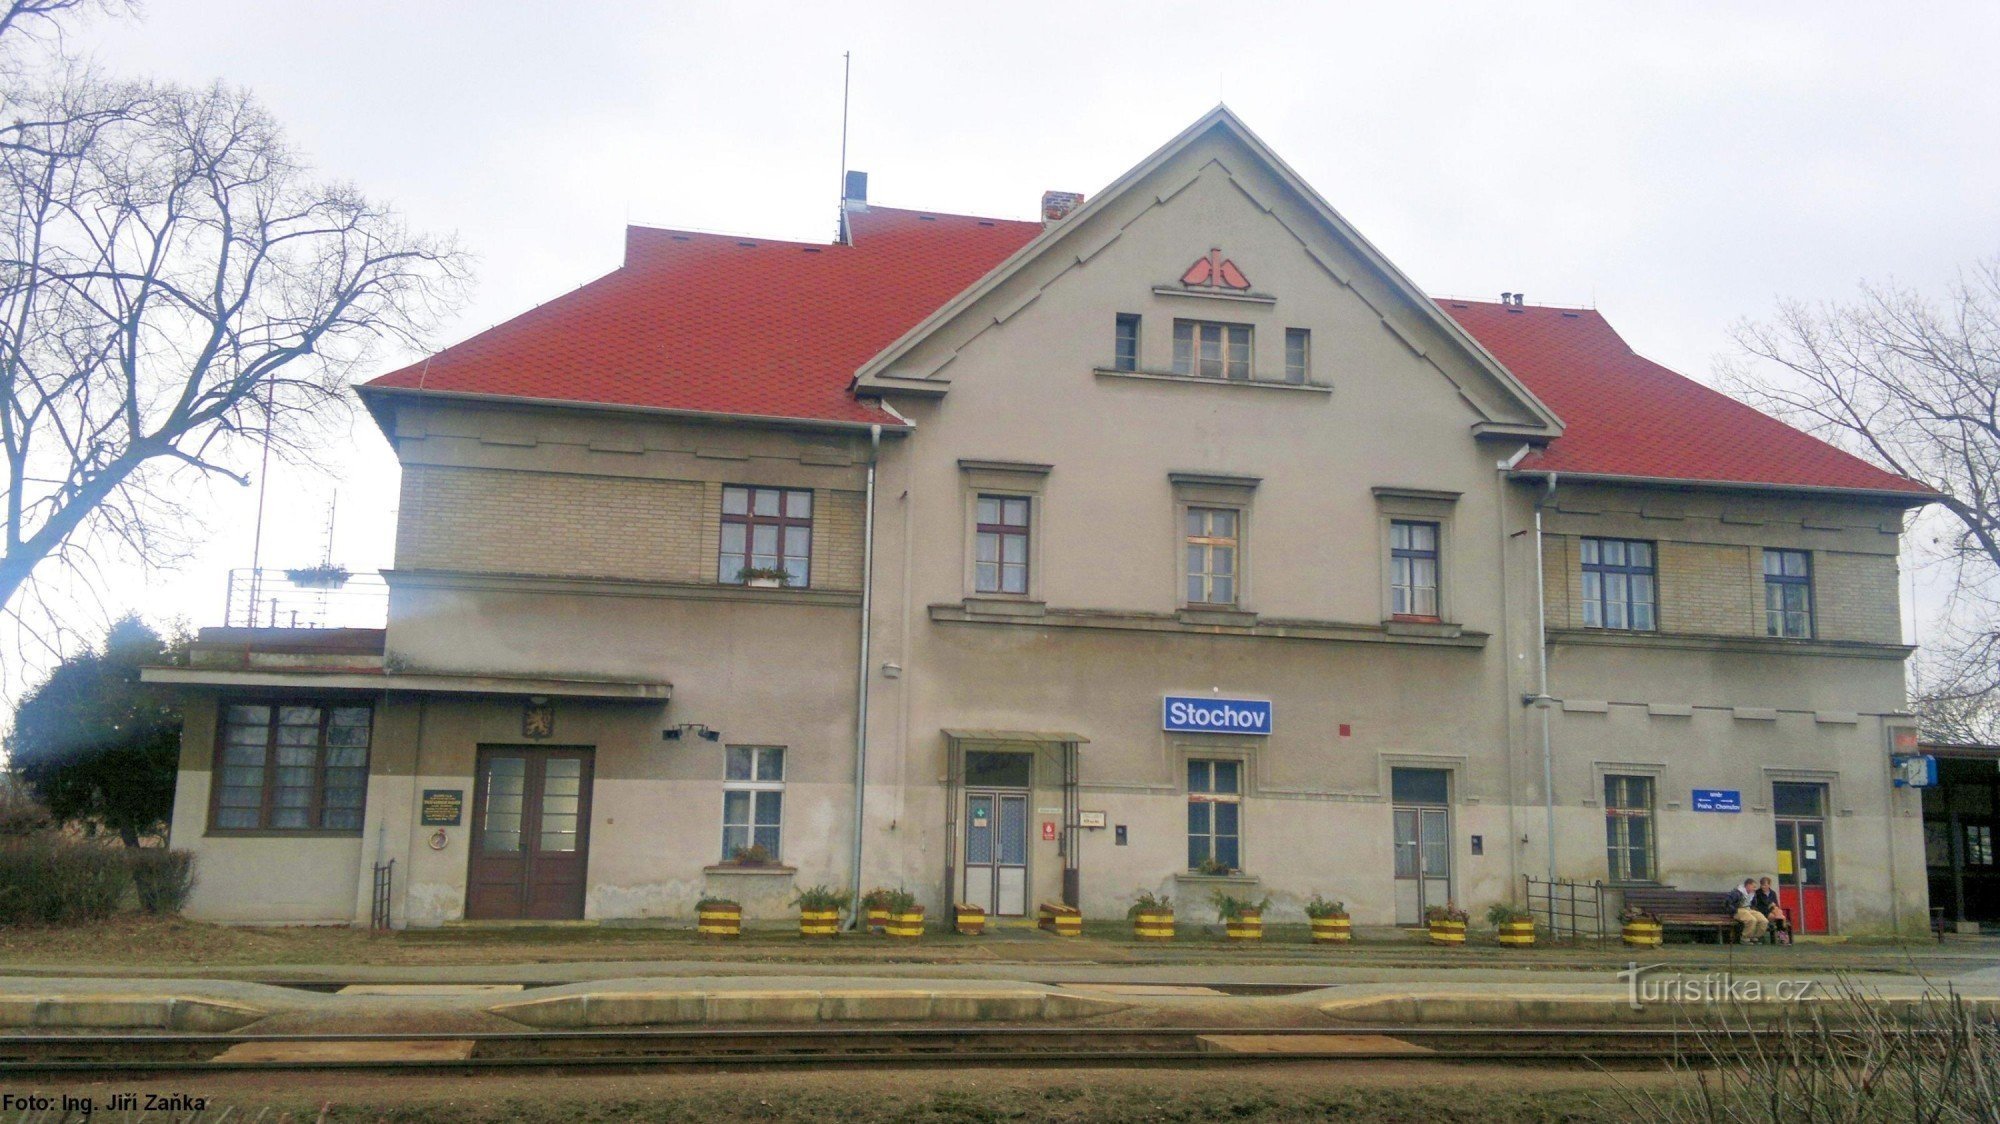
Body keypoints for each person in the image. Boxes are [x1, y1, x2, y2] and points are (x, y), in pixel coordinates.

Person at [1727, 878, 1769, 943]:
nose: (1755, 889)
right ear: (1748, 885)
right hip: (1738, 909)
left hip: (1748, 909)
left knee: (1764, 921)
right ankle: (1745, 938)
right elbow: (1728, 903)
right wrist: (1734, 910)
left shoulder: (1752, 894)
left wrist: (1753, 909)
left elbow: (1754, 904)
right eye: (1753, 887)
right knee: (1752, 919)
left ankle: (1755, 937)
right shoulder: (1737, 892)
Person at [1753, 876, 1792, 944]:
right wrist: (1770, 905)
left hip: (1773, 911)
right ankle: (1783, 938)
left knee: (1778, 916)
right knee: (1780, 918)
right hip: (1763, 912)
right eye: (1762, 885)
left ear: (1769, 885)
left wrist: (1773, 906)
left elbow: (1776, 904)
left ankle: (1782, 938)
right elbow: (1759, 906)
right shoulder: (1758, 893)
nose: (1763, 887)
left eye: (1765, 885)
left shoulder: (1772, 893)